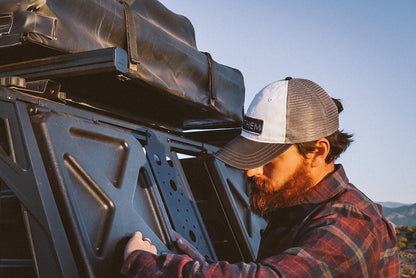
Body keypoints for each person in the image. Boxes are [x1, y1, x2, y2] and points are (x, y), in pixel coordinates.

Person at [121, 77, 400, 277]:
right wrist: (202, 264)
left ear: (317, 152)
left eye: (267, 159)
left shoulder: (351, 224)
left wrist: (144, 265)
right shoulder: (298, 207)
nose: (252, 171)